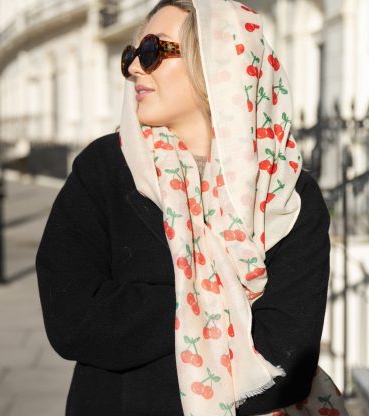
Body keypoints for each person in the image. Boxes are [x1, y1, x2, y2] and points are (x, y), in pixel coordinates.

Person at [35, 1, 350, 415]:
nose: (133, 68)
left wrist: (149, 310)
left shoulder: (288, 195)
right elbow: (73, 318)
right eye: (131, 56)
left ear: (217, 59)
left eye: (151, 52)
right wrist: (226, 306)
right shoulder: (104, 170)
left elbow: (286, 358)